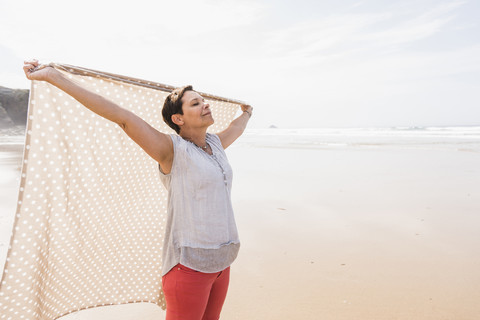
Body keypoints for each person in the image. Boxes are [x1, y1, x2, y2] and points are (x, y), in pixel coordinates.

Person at [23, 60, 252, 320]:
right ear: (178, 118)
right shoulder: (171, 150)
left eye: (203, 100)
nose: (205, 104)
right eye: (195, 103)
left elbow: (237, 127)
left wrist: (247, 112)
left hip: (223, 262)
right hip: (189, 268)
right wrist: (53, 76)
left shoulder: (216, 144)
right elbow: (122, 117)